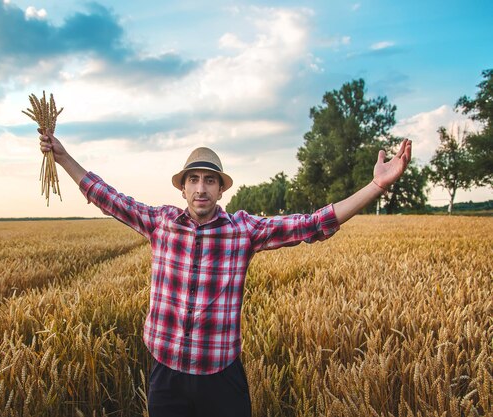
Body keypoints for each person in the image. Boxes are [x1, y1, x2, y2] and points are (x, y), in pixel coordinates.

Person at [39, 130, 412, 417]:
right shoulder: (161, 223)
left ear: (220, 190)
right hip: (166, 375)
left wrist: (376, 185)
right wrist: (63, 156)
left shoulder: (243, 230)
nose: (201, 188)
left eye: (209, 180)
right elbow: (106, 196)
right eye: (194, 180)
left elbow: (313, 223)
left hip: (221, 376)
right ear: (183, 188)